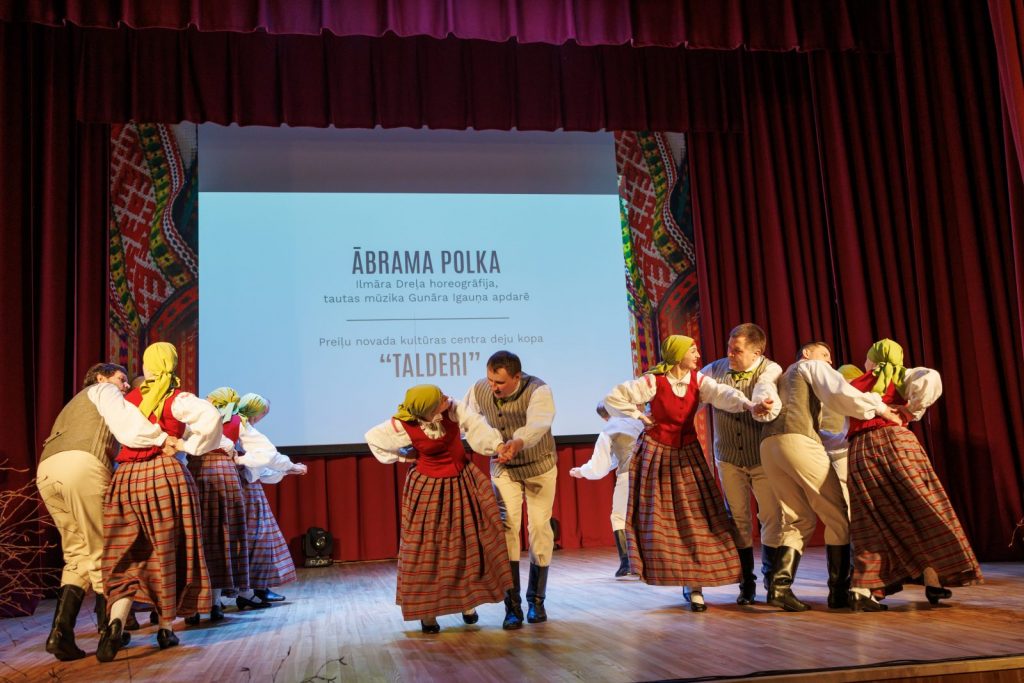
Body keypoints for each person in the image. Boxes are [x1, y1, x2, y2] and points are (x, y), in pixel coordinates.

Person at [604, 335, 771, 611]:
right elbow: (614, 397)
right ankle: (683, 579)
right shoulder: (653, 381)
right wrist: (639, 416)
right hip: (657, 453)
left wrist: (750, 405)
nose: (697, 355)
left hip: (688, 453)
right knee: (664, 522)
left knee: (697, 518)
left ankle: (695, 585)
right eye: (692, 350)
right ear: (677, 354)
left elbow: (723, 394)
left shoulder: (698, 381)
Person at [37, 363, 173, 661]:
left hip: (47, 469)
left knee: (77, 554)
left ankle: (60, 635)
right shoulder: (103, 390)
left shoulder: (74, 403)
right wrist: (162, 438)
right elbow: (126, 423)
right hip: (82, 466)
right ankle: (107, 630)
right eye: (121, 379)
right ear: (101, 378)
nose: (125, 386)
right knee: (107, 551)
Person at [97, 342, 222, 661]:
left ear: (147, 365)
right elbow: (212, 417)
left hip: (127, 479)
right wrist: (187, 445)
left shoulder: (127, 399)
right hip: (166, 476)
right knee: (169, 552)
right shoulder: (177, 398)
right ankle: (165, 628)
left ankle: (115, 623)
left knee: (126, 554)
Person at [756, 341, 900, 613]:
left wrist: (845, 439)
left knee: (799, 518)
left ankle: (779, 588)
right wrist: (879, 408)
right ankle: (838, 593)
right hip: (796, 441)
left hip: (769, 446)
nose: (830, 361)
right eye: (825, 354)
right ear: (807, 354)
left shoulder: (784, 377)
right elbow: (840, 393)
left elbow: (815, 431)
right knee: (838, 516)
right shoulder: (810, 366)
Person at [845, 339, 982, 611]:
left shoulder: (853, 383)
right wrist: (911, 409)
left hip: (860, 449)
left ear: (872, 359)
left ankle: (864, 588)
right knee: (921, 509)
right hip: (897, 443)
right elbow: (931, 378)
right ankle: (934, 577)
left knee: (871, 517)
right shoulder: (903, 375)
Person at [366, 385, 513, 633]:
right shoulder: (403, 424)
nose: (446, 398)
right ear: (427, 409)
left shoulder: (453, 409)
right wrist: (404, 457)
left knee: (468, 543)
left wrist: (498, 446)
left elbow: (476, 425)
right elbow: (373, 438)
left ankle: (468, 604)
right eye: (440, 399)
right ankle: (428, 613)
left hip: (463, 480)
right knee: (428, 548)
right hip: (428, 487)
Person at [464, 350, 556, 629]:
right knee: (507, 527)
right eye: (490, 380)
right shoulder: (479, 390)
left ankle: (536, 601)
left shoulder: (538, 389)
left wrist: (517, 443)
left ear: (517, 377)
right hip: (504, 468)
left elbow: (538, 424)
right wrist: (494, 445)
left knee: (539, 527)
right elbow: (470, 422)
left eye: (500, 382)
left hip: (539, 465)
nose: (493, 387)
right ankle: (512, 605)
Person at [699, 323, 785, 604]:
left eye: (736, 350)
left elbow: (765, 389)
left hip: (761, 458)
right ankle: (746, 583)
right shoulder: (714, 369)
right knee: (737, 519)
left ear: (756, 352)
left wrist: (761, 404)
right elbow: (691, 392)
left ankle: (772, 580)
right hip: (728, 457)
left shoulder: (770, 369)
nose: (729, 354)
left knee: (771, 516)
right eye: (729, 348)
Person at [182, 387, 252, 624]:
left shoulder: (194, 419)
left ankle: (195, 607)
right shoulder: (236, 421)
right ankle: (214, 604)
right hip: (225, 473)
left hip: (200, 471)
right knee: (223, 537)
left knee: (198, 539)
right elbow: (255, 449)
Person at [234, 392, 307, 607]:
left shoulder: (239, 426)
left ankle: (255, 588)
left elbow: (260, 465)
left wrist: (285, 471)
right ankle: (250, 590)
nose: (261, 418)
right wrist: (291, 466)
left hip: (246, 485)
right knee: (258, 537)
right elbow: (268, 456)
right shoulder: (244, 428)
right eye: (261, 413)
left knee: (256, 538)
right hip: (245, 489)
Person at [569, 402, 644, 577]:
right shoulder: (640, 421)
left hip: (629, 476)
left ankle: (627, 563)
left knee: (619, 517)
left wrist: (582, 471)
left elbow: (599, 466)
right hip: (653, 473)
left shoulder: (610, 429)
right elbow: (617, 459)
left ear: (605, 417)